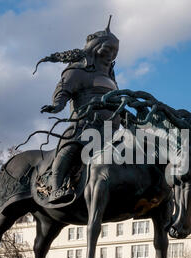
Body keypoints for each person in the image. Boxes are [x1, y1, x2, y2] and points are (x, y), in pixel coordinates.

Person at [38, 16, 120, 203]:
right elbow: (63, 90)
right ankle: (55, 187)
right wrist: (57, 105)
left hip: (112, 129)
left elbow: (118, 103)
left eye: (114, 52)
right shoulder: (78, 70)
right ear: (95, 49)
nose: (110, 55)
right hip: (84, 124)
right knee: (72, 146)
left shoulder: (111, 79)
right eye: (107, 49)